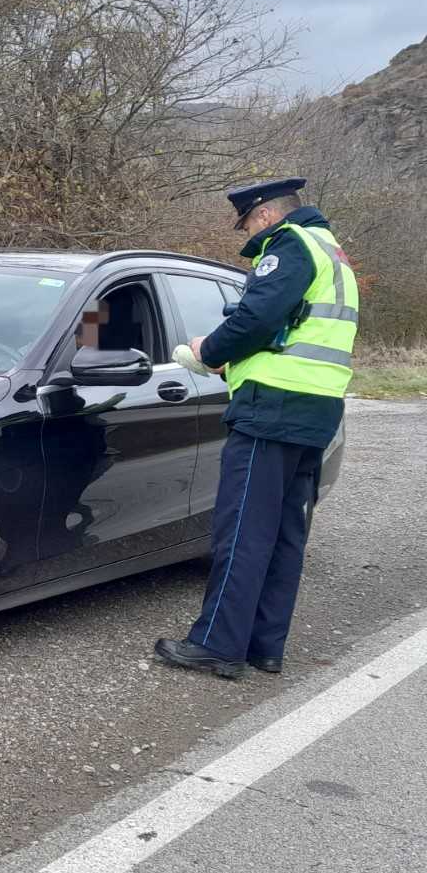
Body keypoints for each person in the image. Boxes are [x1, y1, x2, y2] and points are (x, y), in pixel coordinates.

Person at [155, 177, 358, 679]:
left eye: (247, 223)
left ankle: (218, 645)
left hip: (272, 408)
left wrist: (207, 352)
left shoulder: (289, 245)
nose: (248, 232)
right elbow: (296, 329)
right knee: (286, 533)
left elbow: (255, 319)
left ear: (265, 215)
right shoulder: (333, 254)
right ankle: (265, 646)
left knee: (244, 529)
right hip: (316, 409)